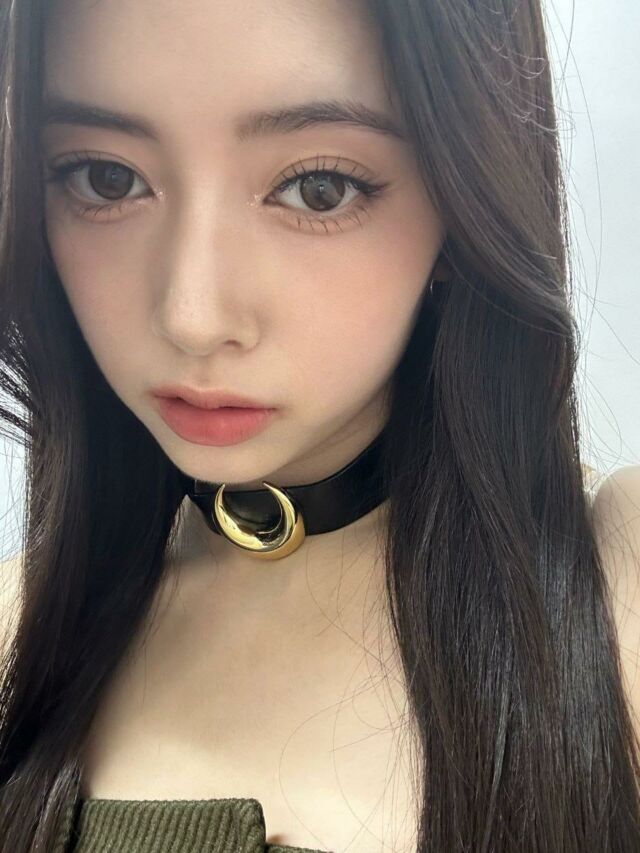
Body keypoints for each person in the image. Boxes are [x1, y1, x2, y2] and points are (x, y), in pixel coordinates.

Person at [0, 0, 639, 850]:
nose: (193, 316)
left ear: (465, 197)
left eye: (318, 188)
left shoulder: (615, 588)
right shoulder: (18, 632)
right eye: (104, 178)